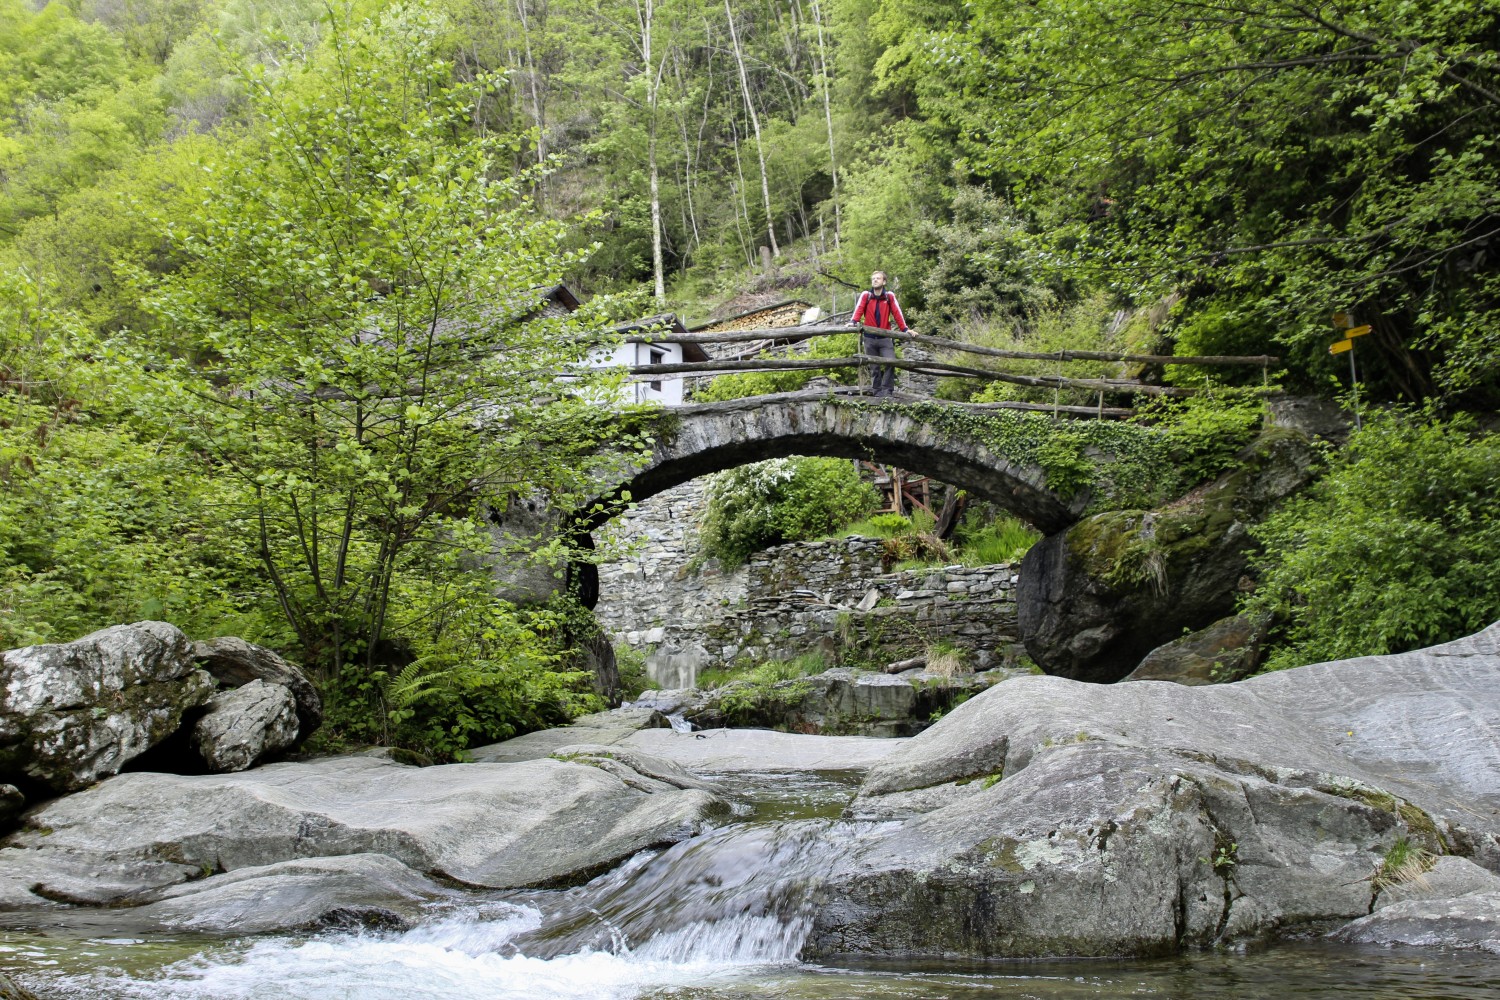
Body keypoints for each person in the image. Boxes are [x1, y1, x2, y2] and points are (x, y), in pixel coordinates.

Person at [847, 270, 908, 396]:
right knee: (874, 367)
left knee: (890, 362)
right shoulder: (866, 295)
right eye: (873, 278)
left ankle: (887, 391)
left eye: (878, 278)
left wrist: (905, 330)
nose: (875, 280)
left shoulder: (889, 296)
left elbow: (897, 313)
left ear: (884, 281)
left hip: (885, 338)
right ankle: (877, 392)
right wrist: (853, 322)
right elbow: (858, 310)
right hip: (869, 338)